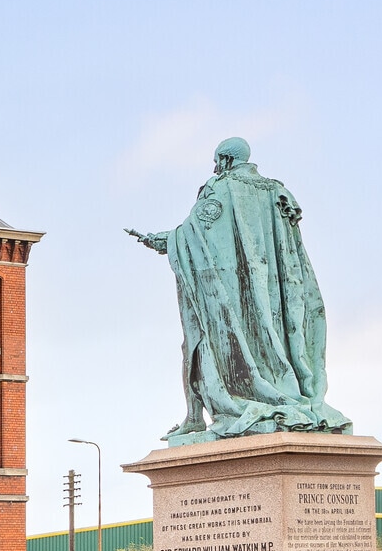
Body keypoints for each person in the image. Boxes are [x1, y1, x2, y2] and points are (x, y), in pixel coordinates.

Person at [129, 137, 351, 446]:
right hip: (278, 298)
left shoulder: (221, 188)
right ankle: (223, 408)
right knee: (273, 346)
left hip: (229, 300)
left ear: (225, 159)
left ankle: (199, 415)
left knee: (201, 344)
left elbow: (196, 232)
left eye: (217, 161)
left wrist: (161, 240)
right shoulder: (277, 192)